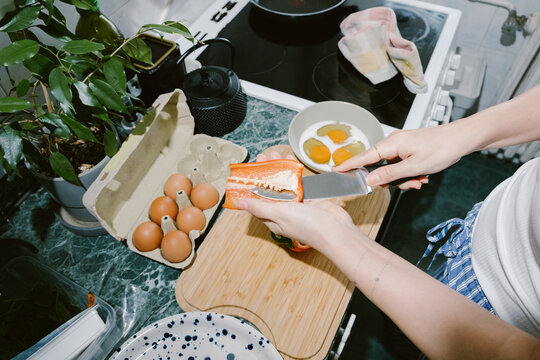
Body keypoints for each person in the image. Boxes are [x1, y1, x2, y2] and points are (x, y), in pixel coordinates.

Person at [235, 83, 540, 359]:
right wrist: (455, 136)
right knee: (403, 335)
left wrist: (335, 235)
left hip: (491, 319)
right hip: (476, 235)